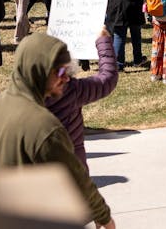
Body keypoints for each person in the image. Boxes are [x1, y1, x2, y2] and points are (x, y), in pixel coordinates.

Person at [0, 33, 115, 229]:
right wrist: (103, 216)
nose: (66, 79)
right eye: (61, 73)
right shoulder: (45, 127)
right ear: (41, 71)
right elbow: (74, 177)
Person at [45, 28, 118, 169]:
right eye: (60, 71)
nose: (64, 77)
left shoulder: (16, 100)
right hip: (72, 172)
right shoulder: (71, 90)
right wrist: (103, 41)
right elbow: (108, 79)